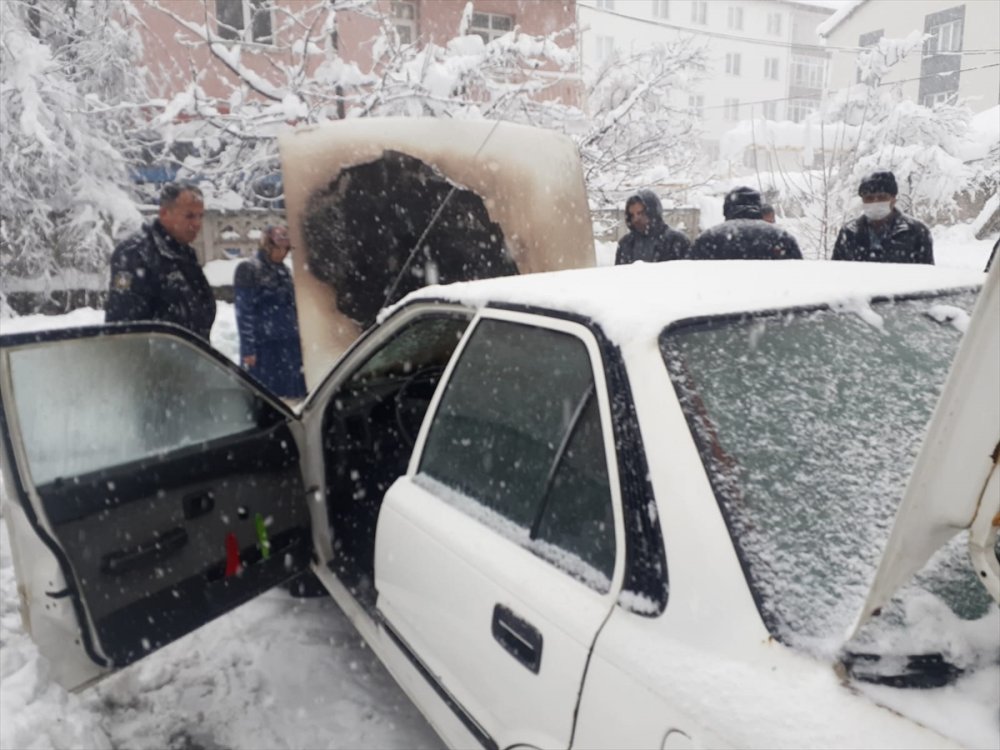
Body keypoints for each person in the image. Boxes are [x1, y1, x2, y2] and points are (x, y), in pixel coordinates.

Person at [106, 182, 216, 339]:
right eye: (189, 216)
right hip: (157, 359)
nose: (197, 224)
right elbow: (124, 325)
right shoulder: (135, 254)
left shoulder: (184, 253)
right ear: (165, 213)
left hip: (188, 357)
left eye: (200, 216)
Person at [234, 225, 307, 399]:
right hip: (265, 346)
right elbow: (244, 311)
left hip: (289, 344)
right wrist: (248, 349)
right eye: (279, 247)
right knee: (267, 397)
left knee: (294, 397)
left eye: (286, 248)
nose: (283, 252)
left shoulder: (284, 271)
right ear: (267, 245)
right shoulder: (249, 269)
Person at [831, 170, 934, 264]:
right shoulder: (849, 232)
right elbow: (838, 275)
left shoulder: (916, 233)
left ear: (893, 199)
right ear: (862, 200)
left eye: (882, 197)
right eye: (869, 198)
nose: (875, 202)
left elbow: (926, 277)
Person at [689, 186, 802, 260]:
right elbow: (798, 276)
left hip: (720, 295)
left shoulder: (709, 238)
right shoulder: (781, 238)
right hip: (774, 295)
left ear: (726, 210)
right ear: (759, 208)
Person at [615, 189, 691, 265]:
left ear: (652, 212)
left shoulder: (676, 241)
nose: (636, 219)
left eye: (640, 213)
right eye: (632, 215)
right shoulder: (626, 244)